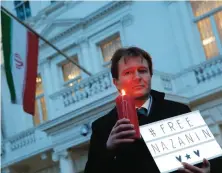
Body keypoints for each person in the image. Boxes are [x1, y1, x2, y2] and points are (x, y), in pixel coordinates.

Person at [84, 47, 220, 173]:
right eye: (128, 72)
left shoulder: (178, 110)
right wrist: (108, 149)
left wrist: (209, 171)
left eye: (142, 71)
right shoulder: (103, 127)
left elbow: (213, 160)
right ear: (116, 82)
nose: (137, 77)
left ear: (150, 75)